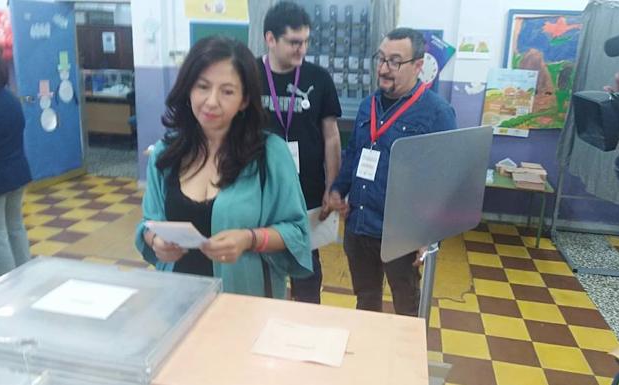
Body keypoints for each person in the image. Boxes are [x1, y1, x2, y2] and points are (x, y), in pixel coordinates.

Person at [135, 36, 312, 299]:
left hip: (244, 304)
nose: (211, 101)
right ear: (188, 89)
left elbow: (297, 233)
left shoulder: (269, 154)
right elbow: (149, 223)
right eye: (202, 87)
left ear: (243, 100)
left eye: (227, 91)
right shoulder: (166, 154)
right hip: (175, 303)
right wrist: (155, 241)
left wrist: (249, 239)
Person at [328, 28, 457, 316]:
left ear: (418, 65)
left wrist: (430, 234)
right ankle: (369, 359)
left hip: (402, 235)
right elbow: (354, 158)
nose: (384, 69)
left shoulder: (437, 113)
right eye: (381, 59)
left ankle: (404, 360)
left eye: (395, 62)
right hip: (359, 227)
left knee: (406, 309)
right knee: (366, 301)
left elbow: (447, 181)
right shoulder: (367, 105)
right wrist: (337, 190)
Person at [258, 1, 342, 304]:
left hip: (307, 191)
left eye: (305, 41)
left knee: (307, 270)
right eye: (294, 42)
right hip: (262, 190)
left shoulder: (318, 79)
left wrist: (332, 186)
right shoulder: (249, 75)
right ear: (271, 39)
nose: (301, 49)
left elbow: (331, 136)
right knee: (263, 264)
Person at [0, 48, 32, 277]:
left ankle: (5, 286)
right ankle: (25, 275)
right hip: (18, 173)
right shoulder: (10, 98)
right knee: (15, 227)